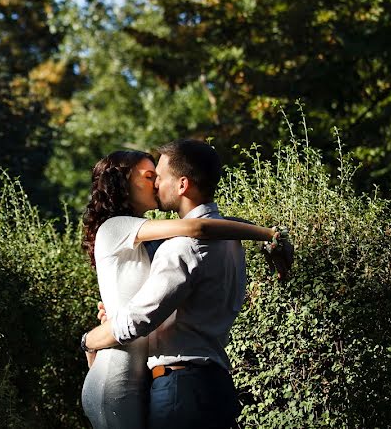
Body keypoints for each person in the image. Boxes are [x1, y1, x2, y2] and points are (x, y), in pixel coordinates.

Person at [79, 148, 291, 429]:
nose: (155, 183)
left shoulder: (165, 240)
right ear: (124, 180)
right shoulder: (115, 228)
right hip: (118, 376)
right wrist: (268, 235)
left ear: (182, 184)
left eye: (158, 176)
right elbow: (200, 227)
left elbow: (207, 227)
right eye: (149, 176)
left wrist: (93, 339)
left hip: (150, 378)